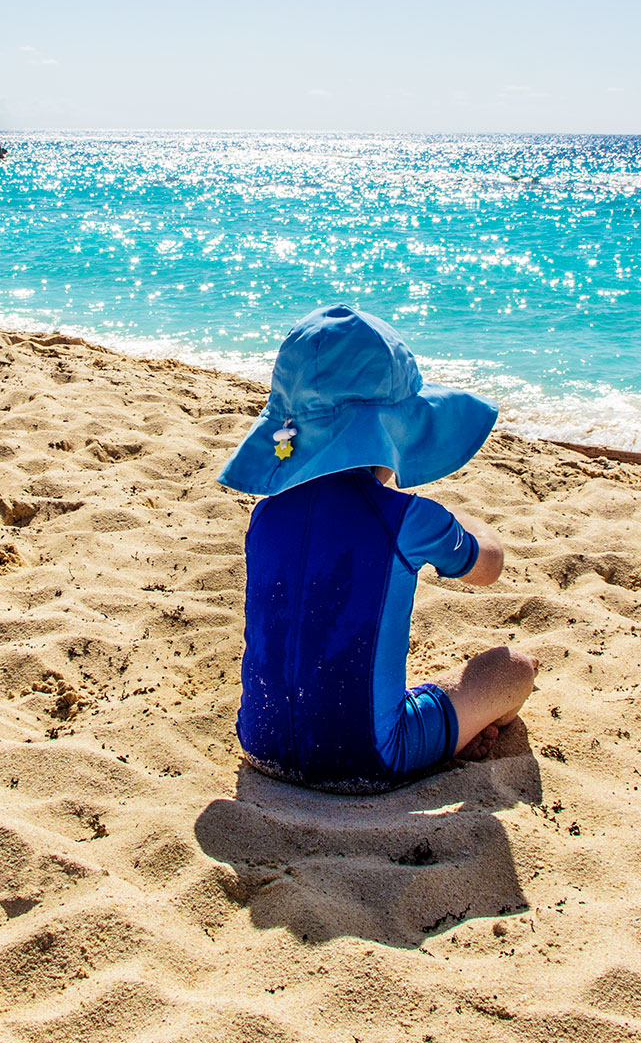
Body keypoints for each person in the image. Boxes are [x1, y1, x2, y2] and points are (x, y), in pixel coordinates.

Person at [219, 303, 537, 793]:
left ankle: (446, 732)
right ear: (390, 432)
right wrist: (460, 520)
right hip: (367, 757)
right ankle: (447, 741)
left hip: (259, 742)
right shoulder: (407, 519)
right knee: (512, 670)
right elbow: (488, 566)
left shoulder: (265, 514)